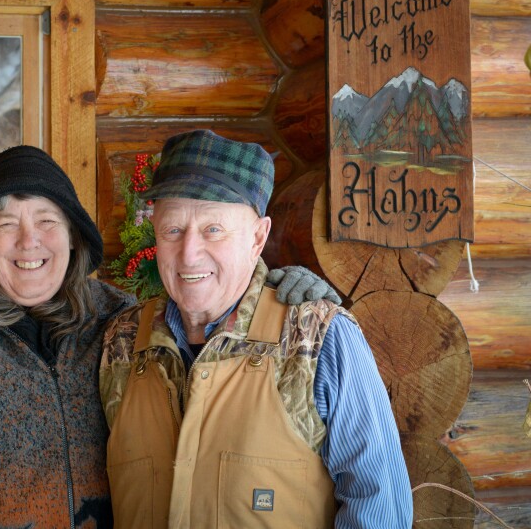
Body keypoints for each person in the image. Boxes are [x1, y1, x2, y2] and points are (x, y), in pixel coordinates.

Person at [0, 143, 335, 528]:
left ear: (72, 236)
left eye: (47, 221)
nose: (30, 242)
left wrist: (279, 285)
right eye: (6, 224)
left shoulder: (124, 323)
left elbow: (211, 319)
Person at [99, 129, 412, 528]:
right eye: (173, 230)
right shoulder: (121, 345)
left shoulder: (321, 339)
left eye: (214, 229)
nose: (189, 253)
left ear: (258, 237)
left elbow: (380, 509)